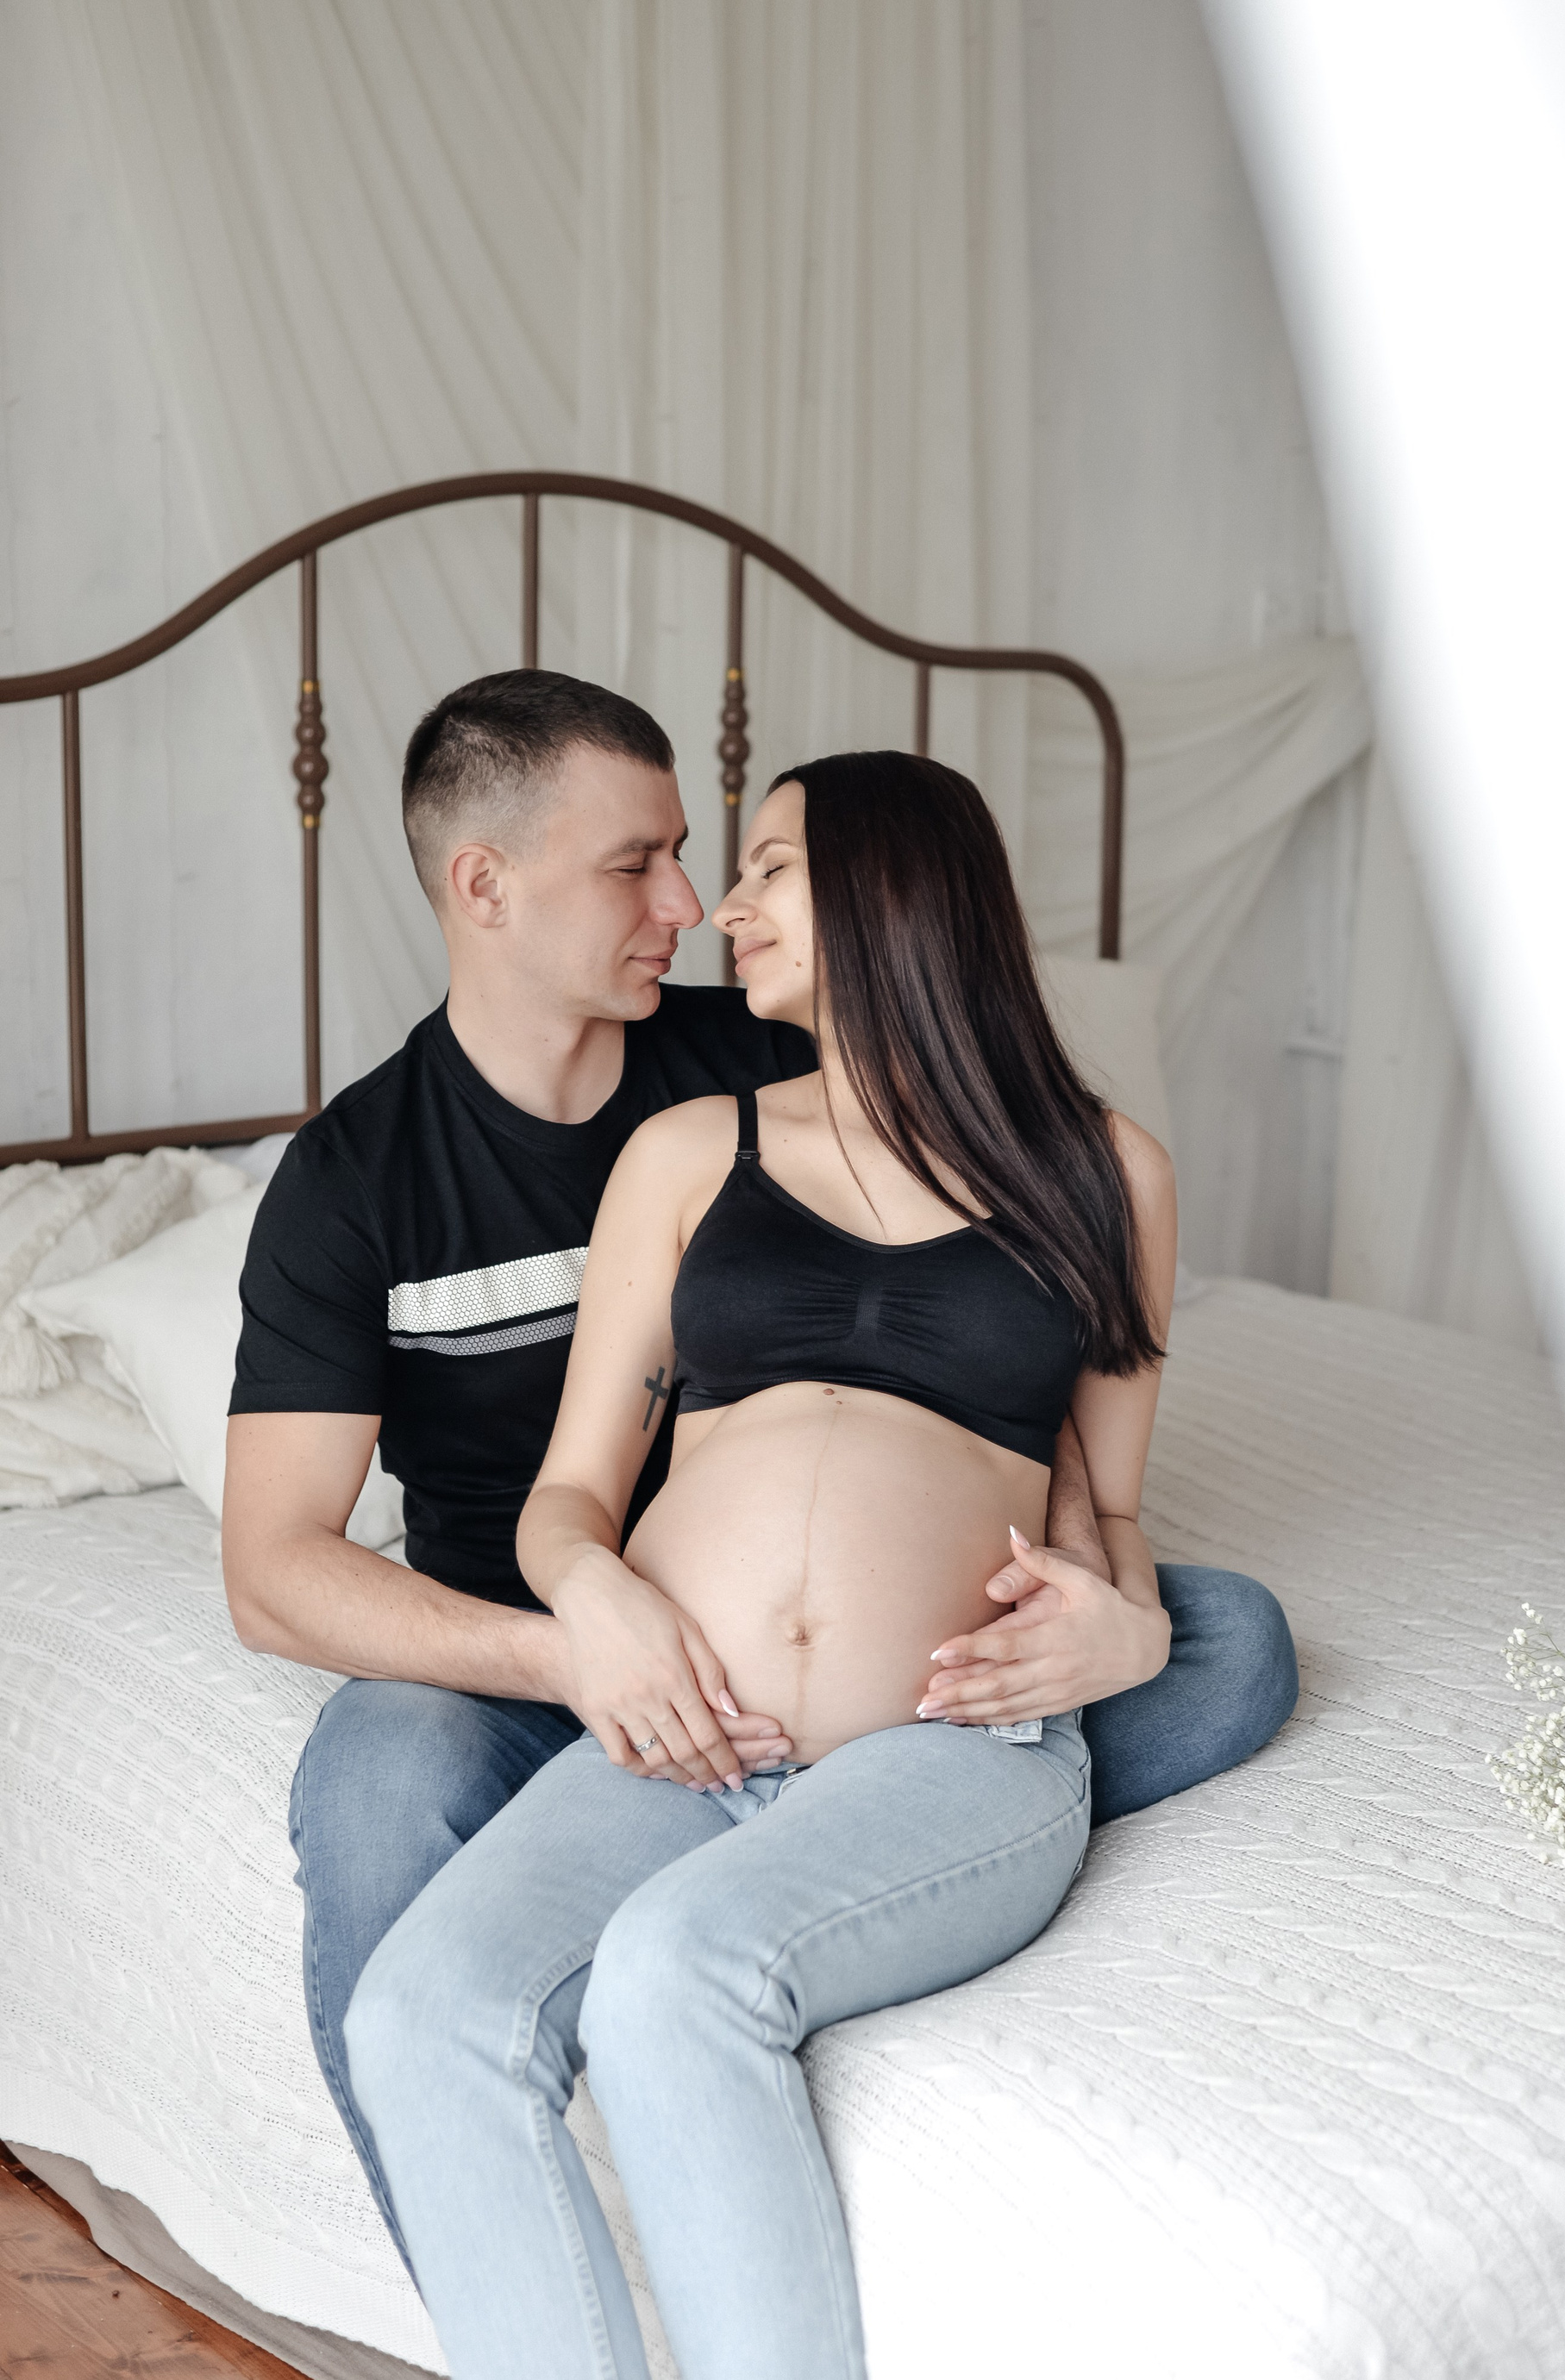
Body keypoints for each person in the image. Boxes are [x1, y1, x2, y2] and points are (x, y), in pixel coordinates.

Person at [221, 675, 1296, 2266]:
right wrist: (573, 1647)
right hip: (529, 1642)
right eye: (637, 866)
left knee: (1232, 1643)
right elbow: (271, 1574)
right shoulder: (353, 1180)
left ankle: (877, 1804)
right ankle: (474, 2268)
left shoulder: (762, 1059)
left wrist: (1098, 1590)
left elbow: (1017, 1349)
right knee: (382, 1771)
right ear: (485, 886)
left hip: (843, 1644)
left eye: (707, 861)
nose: (694, 908)